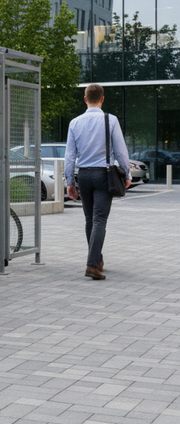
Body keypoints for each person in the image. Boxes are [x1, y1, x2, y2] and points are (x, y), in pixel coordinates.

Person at [64, 84, 131, 280]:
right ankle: (92, 265)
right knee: (100, 219)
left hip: (83, 175)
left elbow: (70, 156)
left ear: (85, 99)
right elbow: (120, 151)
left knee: (89, 220)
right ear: (102, 99)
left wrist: (70, 181)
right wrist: (127, 174)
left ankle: (98, 259)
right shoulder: (111, 120)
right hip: (103, 175)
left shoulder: (74, 122)